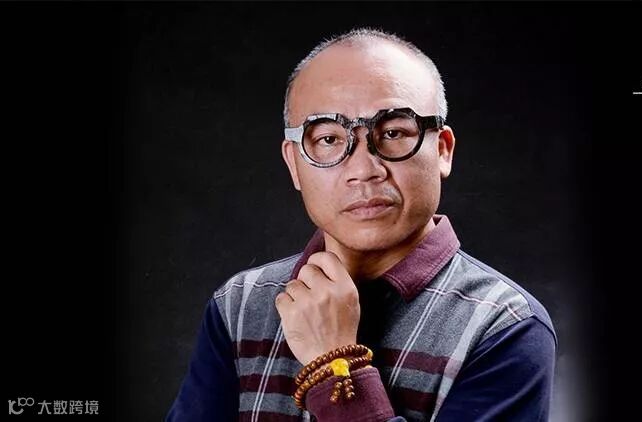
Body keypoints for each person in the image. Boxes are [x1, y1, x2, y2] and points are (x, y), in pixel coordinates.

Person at [167, 28, 556, 422]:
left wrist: (334, 365)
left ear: (442, 150)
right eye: (329, 139)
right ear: (294, 164)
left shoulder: (505, 326)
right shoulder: (239, 305)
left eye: (393, 132)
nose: (364, 170)